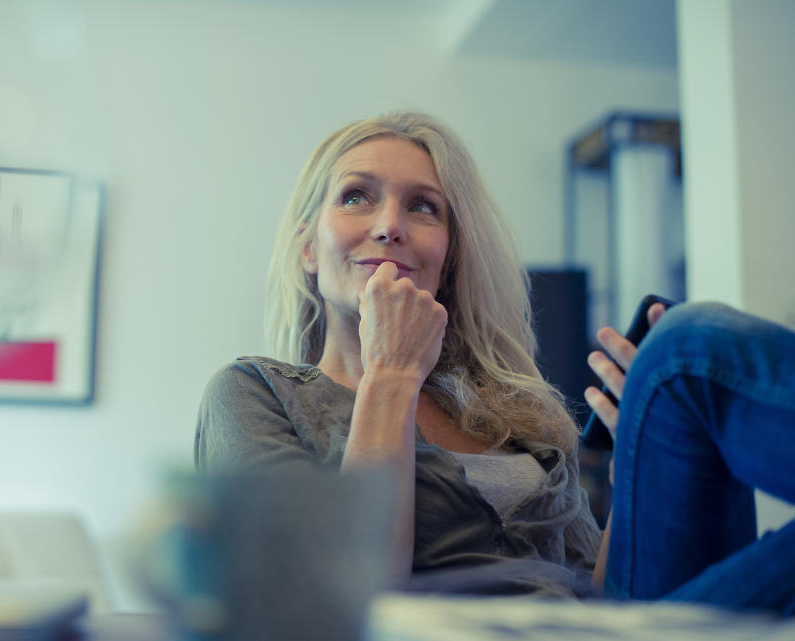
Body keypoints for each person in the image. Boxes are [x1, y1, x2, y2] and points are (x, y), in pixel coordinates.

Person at [195, 111, 602, 597]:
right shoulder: (253, 395)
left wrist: (637, 466)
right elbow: (337, 599)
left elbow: (609, 597)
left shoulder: (524, 414)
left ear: (447, 260)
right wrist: (390, 373)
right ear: (308, 248)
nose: (389, 226)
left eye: (423, 207)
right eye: (354, 197)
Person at [585, 300, 795, 613]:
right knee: (677, 351)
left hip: (605, 611)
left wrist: (634, 463)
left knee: (675, 357)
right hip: (608, 622)